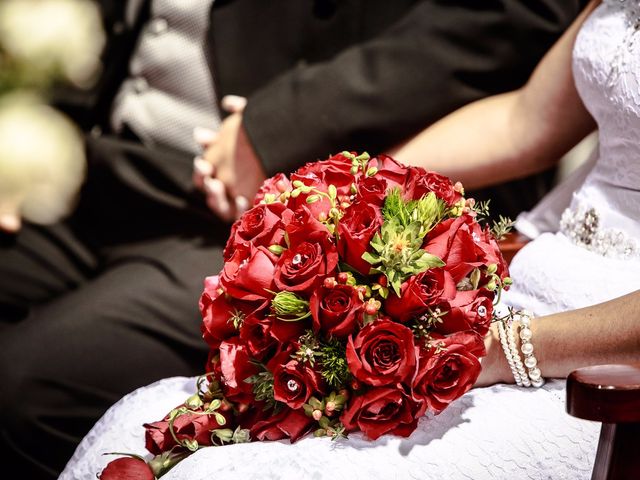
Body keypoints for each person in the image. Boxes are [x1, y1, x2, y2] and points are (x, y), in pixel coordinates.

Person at [0, 1, 587, 478]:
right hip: (94, 160)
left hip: (248, 211)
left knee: (29, 385)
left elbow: (515, 28)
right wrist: (28, 131)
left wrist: (299, 158)